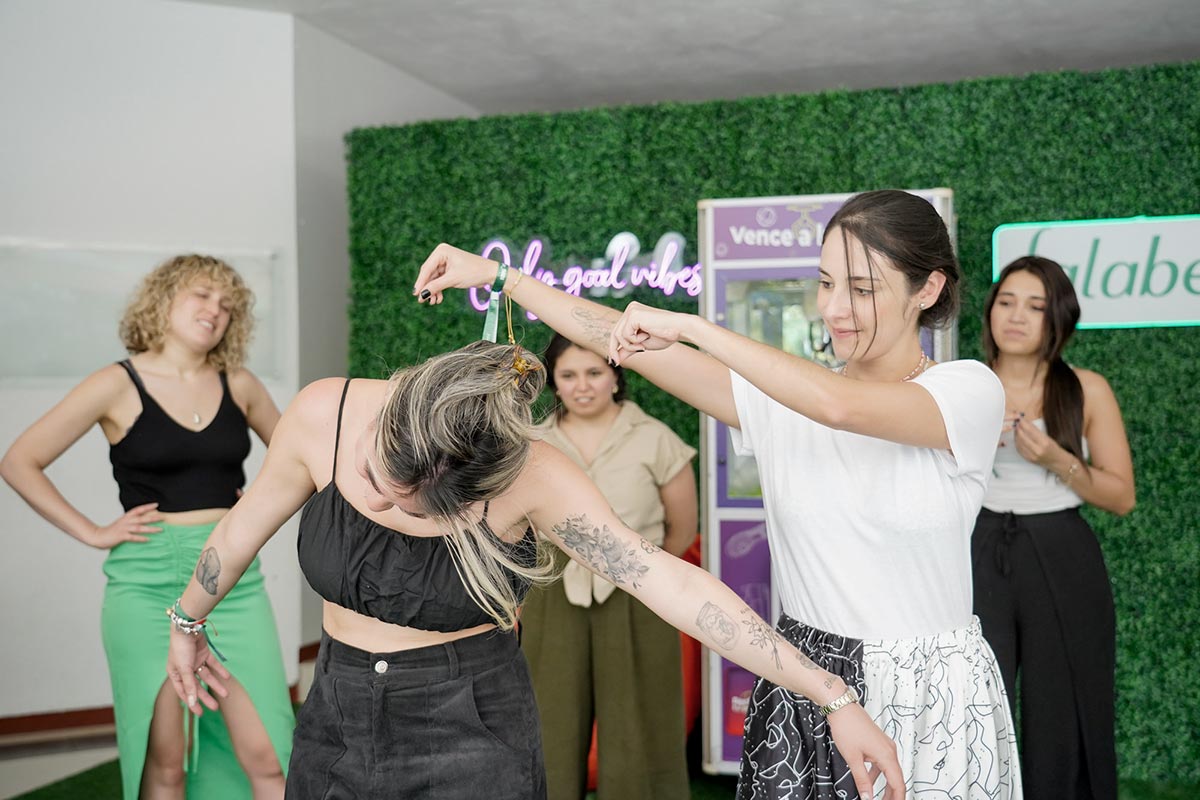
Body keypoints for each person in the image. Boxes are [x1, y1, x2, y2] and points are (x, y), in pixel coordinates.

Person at [413, 188, 1022, 800]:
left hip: (928, 693)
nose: (835, 308)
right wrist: (502, 278)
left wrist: (697, 328)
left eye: (862, 290)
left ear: (928, 289)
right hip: (804, 680)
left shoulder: (966, 392)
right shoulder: (781, 401)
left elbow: (838, 406)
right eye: (825, 283)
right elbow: (614, 337)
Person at [164, 339, 904, 800]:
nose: (382, 504)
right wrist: (186, 621)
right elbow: (242, 527)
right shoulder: (324, 412)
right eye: (370, 478)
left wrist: (830, 694)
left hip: (468, 718)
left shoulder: (536, 477)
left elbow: (670, 581)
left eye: (415, 506)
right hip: (338, 705)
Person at [0, 255, 294, 800]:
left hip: (232, 582)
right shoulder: (115, 384)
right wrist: (92, 531)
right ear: (163, 300)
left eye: (227, 305)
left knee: (270, 755)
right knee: (166, 764)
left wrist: (258, 503)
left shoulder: (241, 384)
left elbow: (300, 458)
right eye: (202, 295)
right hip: (145, 585)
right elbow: (19, 461)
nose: (215, 310)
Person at [972, 256, 1134, 800]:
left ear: (1058, 318)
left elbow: (1121, 496)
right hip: (976, 547)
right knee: (975, 701)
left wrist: (1055, 459)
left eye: (1036, 306)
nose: (1017, 316)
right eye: (1006, 302)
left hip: (1062, 552)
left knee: (1063, 709)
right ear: (990, 311)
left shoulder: (1087, 389)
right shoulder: (963, 387)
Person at [522, 333, 698, 800]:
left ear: (616, 376)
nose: (582, 386)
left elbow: (682, 527)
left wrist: (645, 574)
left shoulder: (654, 437)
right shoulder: (531, 443)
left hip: (640, 590)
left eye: (594, 373)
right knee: (548, 717)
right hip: (552, 589)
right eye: (568, 375)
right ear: (554, 382)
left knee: (640, 720)